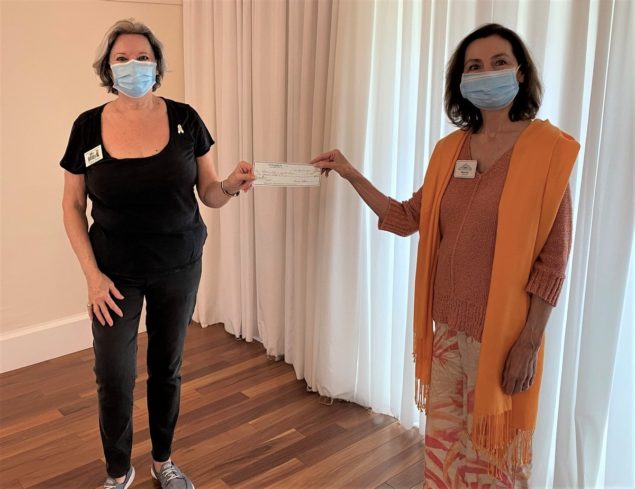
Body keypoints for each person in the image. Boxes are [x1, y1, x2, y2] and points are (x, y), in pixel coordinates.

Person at [311, 23, 579, 488]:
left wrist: (530, 343)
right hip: (447, 332)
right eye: (474, 66)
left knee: (494, 457)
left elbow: (552, 264)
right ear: (460, 81)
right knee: (445, 451)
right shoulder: (449, 151)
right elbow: (406, 217)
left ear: (520, 73)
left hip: (505, 336)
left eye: (499, 62)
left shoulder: (548, 151)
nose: (486, 73)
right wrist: (353, 174)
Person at [61, 19, 254, 489]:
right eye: (122, 59)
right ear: (108, 68)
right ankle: (117, 471)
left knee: (166, 368)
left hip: (179, 267)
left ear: (157, 64)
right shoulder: (87, 126)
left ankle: (163, 461)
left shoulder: (186, 118)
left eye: (142, 57)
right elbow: (71, 205)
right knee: (114, 375)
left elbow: (209, 191)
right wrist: (91, 275)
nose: (133, 66)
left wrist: (230, 185)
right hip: (112, 274)